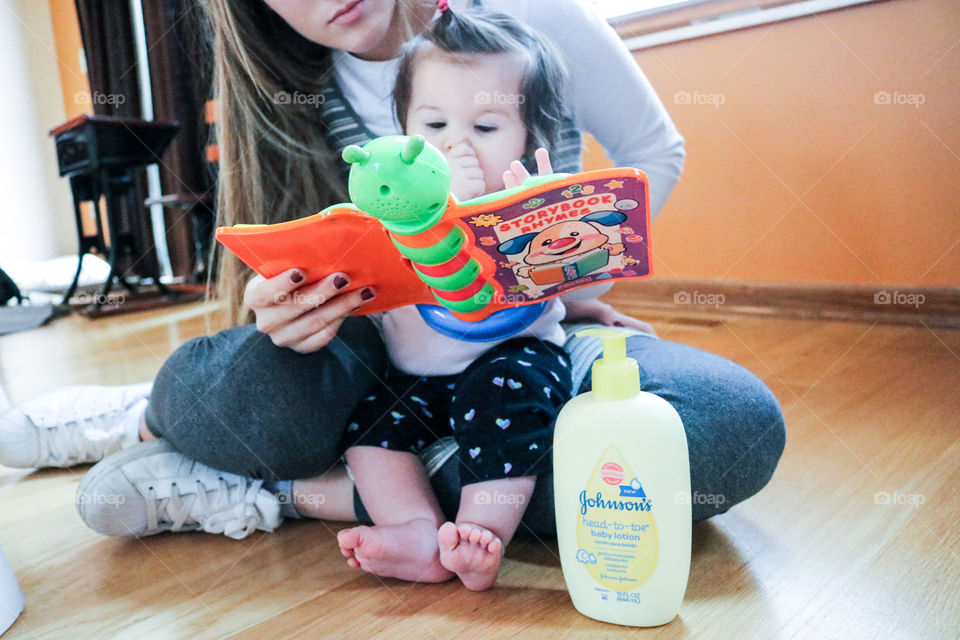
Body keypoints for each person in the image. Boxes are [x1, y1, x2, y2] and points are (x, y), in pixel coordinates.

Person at [0, 0, 784, 561]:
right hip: (386, 340)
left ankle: (288, 492)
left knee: (726, 430)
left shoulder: (532, 20)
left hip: (536, 334)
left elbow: (655, 151)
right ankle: (152, 419)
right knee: (244, 394)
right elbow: (303, 261)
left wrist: (576, 271)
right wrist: (283, 310)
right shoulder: (296, 81)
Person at [336, 5, 579, 591]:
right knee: (368, 435)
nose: (456, 148)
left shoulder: (524, 201)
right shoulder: (384, 207)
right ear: (399, 127)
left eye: (487, 128)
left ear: (529, 138)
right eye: (434, 127)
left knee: (509, 406)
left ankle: (479, 535)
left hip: (510, 360)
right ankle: (416, 533)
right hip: (414, 375)